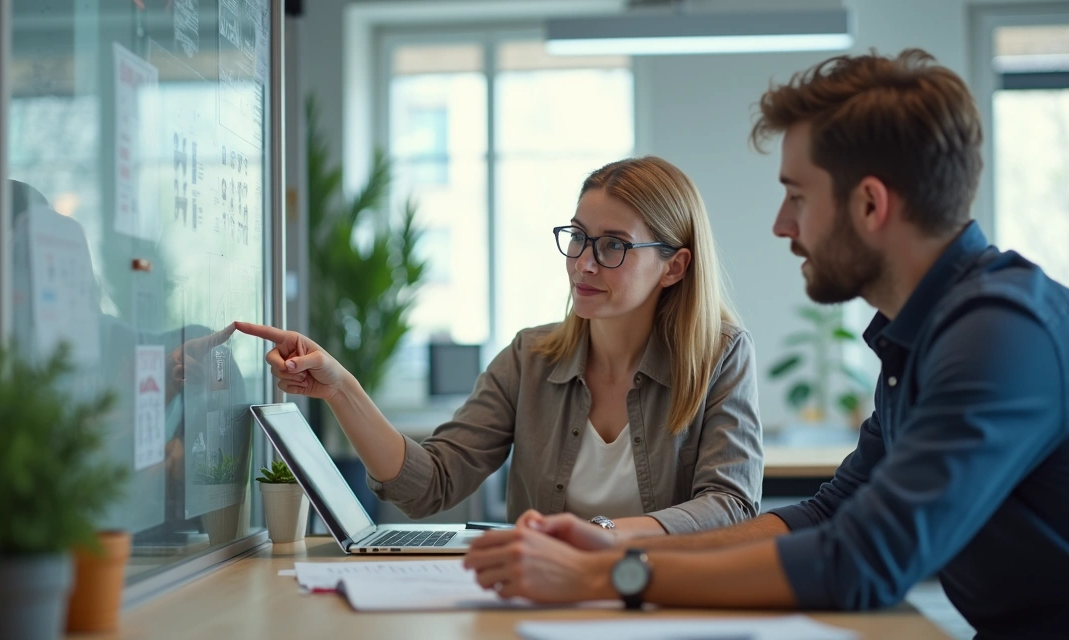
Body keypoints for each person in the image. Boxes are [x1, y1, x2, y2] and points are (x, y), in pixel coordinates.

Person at [462, 49, 1069, 637]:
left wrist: (607, 576)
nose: (781, 224)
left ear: (870, 204)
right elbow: (833, 512)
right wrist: (623, 543)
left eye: (797, 196)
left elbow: (863, 562)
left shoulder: (1003, 333)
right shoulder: (927, 336)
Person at [237, 155, 763, 537]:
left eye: (612, 246)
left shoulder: (721, 355)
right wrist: (341, 389)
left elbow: (731, 503)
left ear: (674, 266)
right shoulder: (531, 358)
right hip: (543, 597)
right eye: (577, 237)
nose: (583, 263)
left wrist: (607, 534)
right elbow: (431, 484)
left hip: (663, 599)